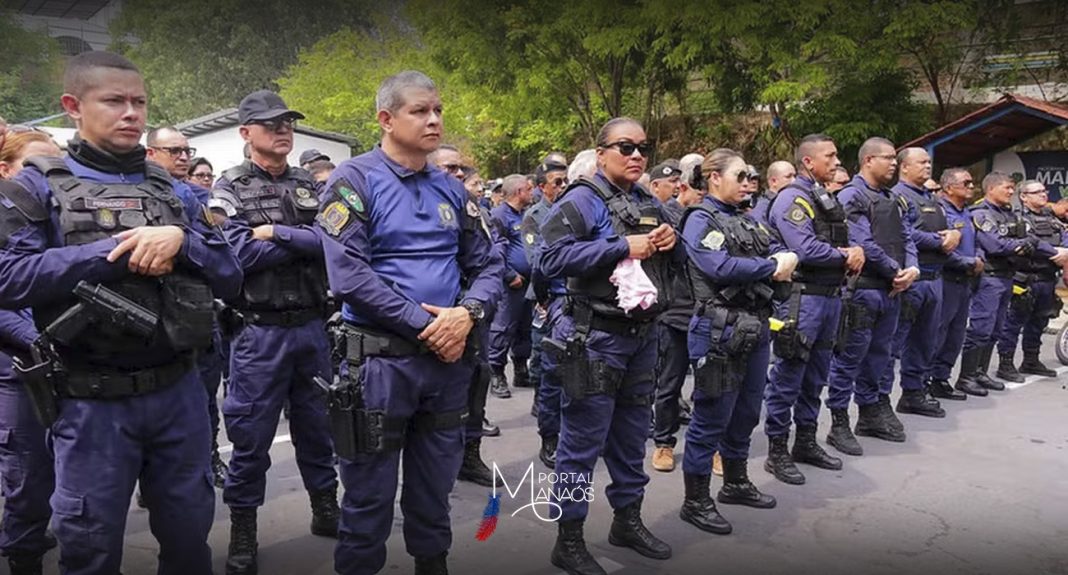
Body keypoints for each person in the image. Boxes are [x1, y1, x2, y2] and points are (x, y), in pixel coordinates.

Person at [0, 51, 242, 575]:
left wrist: (182, 242)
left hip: (179, 393)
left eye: (139, 102)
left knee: (189, 541)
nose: (131, 113)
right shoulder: (32, 187)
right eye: (114, 101)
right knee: (89, 548)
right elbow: (7, 278)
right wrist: (113, 250)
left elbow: (232, 275)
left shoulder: (174, 191)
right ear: (73, 107)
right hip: (91, 403)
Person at [318, 70, 502, 575]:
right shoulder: (353, 181)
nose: (435, 119)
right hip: (380, 367)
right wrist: (431, 327)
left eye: (438, 110)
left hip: (446, 368)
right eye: (420, 111)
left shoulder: (451, 189)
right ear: (386, 118)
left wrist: (469, 313)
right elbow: (350, 277)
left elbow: (487, 264)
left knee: (433, 493)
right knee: (368, 501)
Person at [538, 117, 675, 574]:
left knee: (632, 437)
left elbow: (665, 255)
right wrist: (621, 246)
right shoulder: (582, 199)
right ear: (601, 153)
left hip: (640, 335)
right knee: (579, 445)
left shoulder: (644, 199)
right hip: (595, 337)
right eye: (625, 146)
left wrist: (665, 240)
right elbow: (551, 258)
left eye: (643, 147)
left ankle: (627, 521)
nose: (637, 155)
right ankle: (568, 538)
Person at [212, 89, 340, 575]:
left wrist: (278, 234)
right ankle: (244, 530)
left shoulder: (311, 183)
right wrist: (307, 242)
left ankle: (326, 510)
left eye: (287, 122)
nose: (283, 130)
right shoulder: (227, 189)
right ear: (247, 134)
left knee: (318, 428)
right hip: (259, 334)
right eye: (271, 124)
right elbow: (237, 256)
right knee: (249, 439)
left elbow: (338, 242)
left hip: (311, 327)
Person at [678, 149, 797, 535]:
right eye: (740, 174)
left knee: (747, 412)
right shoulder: (701, 219)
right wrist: (772, 267)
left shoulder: (746, 219)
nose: (748, 182)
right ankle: (696, 500)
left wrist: (778, 261)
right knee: (711, 416)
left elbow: (774, 247)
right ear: (714, 177)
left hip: (756, 325)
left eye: (751, 176)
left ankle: (735, 481)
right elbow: (720, 267)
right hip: (719, 329)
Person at [762, 134, 860, 483]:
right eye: (829, 156)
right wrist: (846, 255)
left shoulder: (822, 197)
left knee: (816, 376)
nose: (836, 161)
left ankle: (805, 440)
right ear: (808, 161)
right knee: (788, 376)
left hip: (829, 298)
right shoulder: (793, 198)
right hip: (802, 299)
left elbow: (836, 238)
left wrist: (849, 252)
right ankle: (776, 449)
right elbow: (804, 248)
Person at [146, 126, 230, 487]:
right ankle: (150, 477)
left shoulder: (199, 198)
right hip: (151, 316)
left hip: (197, 314)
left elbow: (223, 250)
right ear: (152, 153)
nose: (183, 157)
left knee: (204, 399)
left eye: (186, 150)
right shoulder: (137, 193)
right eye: (173, 151)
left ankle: (208, 459)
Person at [827, 137, 919, 450]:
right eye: (888, 158)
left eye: (896, 158)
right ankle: (838, 421)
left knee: (881, 356)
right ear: (868, 160)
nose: (894, 163)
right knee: (849, 358)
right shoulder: (852, 195)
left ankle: (869, 412)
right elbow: (863, 244)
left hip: (891, 290)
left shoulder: (892, 198)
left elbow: (907, 236)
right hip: (863, 290)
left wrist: (913, 270)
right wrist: (897, 271)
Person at [0, 127, 62, 575]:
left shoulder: (59, 217)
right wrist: (40, 340)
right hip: (20, 367)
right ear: (5, 170)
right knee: (28, 474)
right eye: (35, 166)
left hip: (64, 362)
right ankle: (24, 558)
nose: (49, 177)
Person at [428, 143, 501, 488]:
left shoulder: (471, 208)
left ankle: (469, 456)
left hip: (471, 311)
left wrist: (473, 307)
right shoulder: (418, 207)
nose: (458, 174)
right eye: (449, 168)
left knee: (477, 380)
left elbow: (489, 258)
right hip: (432, 315)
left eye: (460, 168)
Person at [959, 172, 1065, 392]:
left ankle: (980, 372)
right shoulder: (981, 213)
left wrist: (1049, 250)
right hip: (992, 277)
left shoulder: (1009, 215)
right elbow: (996, 245)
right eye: (1007, 188)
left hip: (1008, 276)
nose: (1010, 192)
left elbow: (1031, 240)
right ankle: (967, 377)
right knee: (982, 328)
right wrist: (1021, 245)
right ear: (992, 189)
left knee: (995, 329)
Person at [877, 148, 957, 419]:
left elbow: (947, 230)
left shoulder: (931, 198)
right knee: (894, 342)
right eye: (921, 162)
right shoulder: (898, 197)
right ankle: (880, 399)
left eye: (929, 162)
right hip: (913, 277)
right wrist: (940, 241)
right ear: (904, 167)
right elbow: (903, 233)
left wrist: (952, 236)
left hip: (936, 278)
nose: (928, 166)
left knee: (926, 340)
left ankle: (913, 392)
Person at [650, 160, 705, 473]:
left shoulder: (713, 215)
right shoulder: (665, 214)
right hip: (677, 312)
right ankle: (663, 443)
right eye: (678, 185)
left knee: (710, 386)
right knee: (669, 385)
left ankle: (709, 446)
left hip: (708, 312)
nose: (679, 189)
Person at [522, 158, 569, 468]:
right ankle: (548, 434)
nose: (563, 187)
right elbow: (535, 260)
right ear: (542, 188)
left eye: (567, 181)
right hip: (547, 297)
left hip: (575, 299)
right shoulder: (534, 216)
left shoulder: (573, 210)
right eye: (557, 183)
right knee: (545, 361)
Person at [996, 179, 1068, 378]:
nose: (1043, 194)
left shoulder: (1052, 218)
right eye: (1037, 192)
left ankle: (1031, 360)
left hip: (1047, 279)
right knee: (1013, 323)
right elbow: (1030, 242)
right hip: (1024, 279)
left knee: (1039, 322)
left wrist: (1065, 251)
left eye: (1044, 191)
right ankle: (1006, 364)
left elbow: (1065, 235)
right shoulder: (1018, 218)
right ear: (1024, 197)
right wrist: (1056, 252)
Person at [929, 168, 985, 398]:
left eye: (972, 183)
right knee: (937, 332)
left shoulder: (967, 213)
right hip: (947, 279)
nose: (971, 186)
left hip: (965, 281)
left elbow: (977, 240)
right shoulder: (939, 211)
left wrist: (978, 258)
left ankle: (941, 378)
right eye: (966, 183)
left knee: (956, 334)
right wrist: (968, 262)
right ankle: (924, 381)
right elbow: (941, 247)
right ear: (949, 187)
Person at [487, 174, 537, 398]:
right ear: (519, 192)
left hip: (529, 283)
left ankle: (520, 367)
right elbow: (494, 248)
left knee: (524, 328)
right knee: (503, 327)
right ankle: (496, 372)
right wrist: (508, 275)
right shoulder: (499, 215)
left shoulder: (526, 214)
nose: (532, 192)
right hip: (510, 284)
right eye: (528, 189)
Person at [752, 160, 796, 225]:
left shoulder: (790, 201)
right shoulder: (763, 209)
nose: (794, 180)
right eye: (788, 177)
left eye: (794, 176)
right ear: (774, 181)